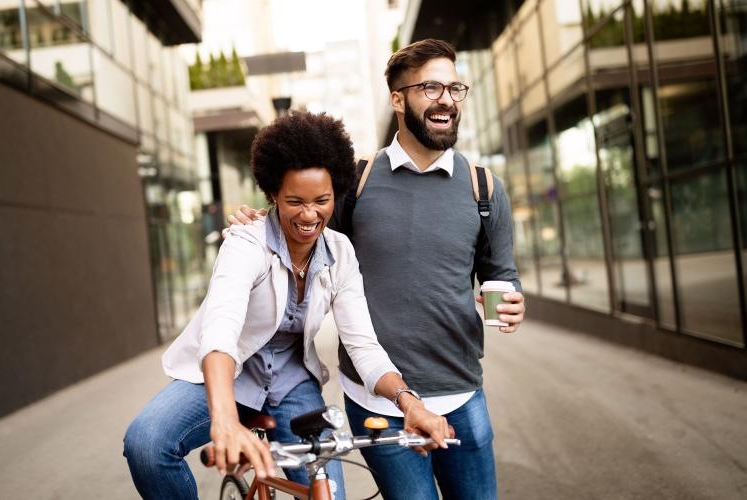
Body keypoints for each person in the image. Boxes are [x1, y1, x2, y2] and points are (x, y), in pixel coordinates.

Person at [228, 39, 526, 500]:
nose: (446, 98)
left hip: (463, 394)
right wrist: (259, 221)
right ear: (398, 99)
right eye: (430, 87)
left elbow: (500, 273)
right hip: (376, 400)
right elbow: (307, 232)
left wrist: (510, 301)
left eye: (454, 88)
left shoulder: (483, 187)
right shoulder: (359, 181)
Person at [123, 111, 451, 500]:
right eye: (295, 200)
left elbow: (363, 346)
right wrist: (225, 419)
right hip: (226, 374)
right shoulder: (246, 243)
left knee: (327, 489)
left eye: (322, 201)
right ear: (273, 194)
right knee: (146, 443)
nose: (310, 214)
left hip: (292, 383)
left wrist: (408, 401)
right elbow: (220, 330)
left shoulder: (341, 253)